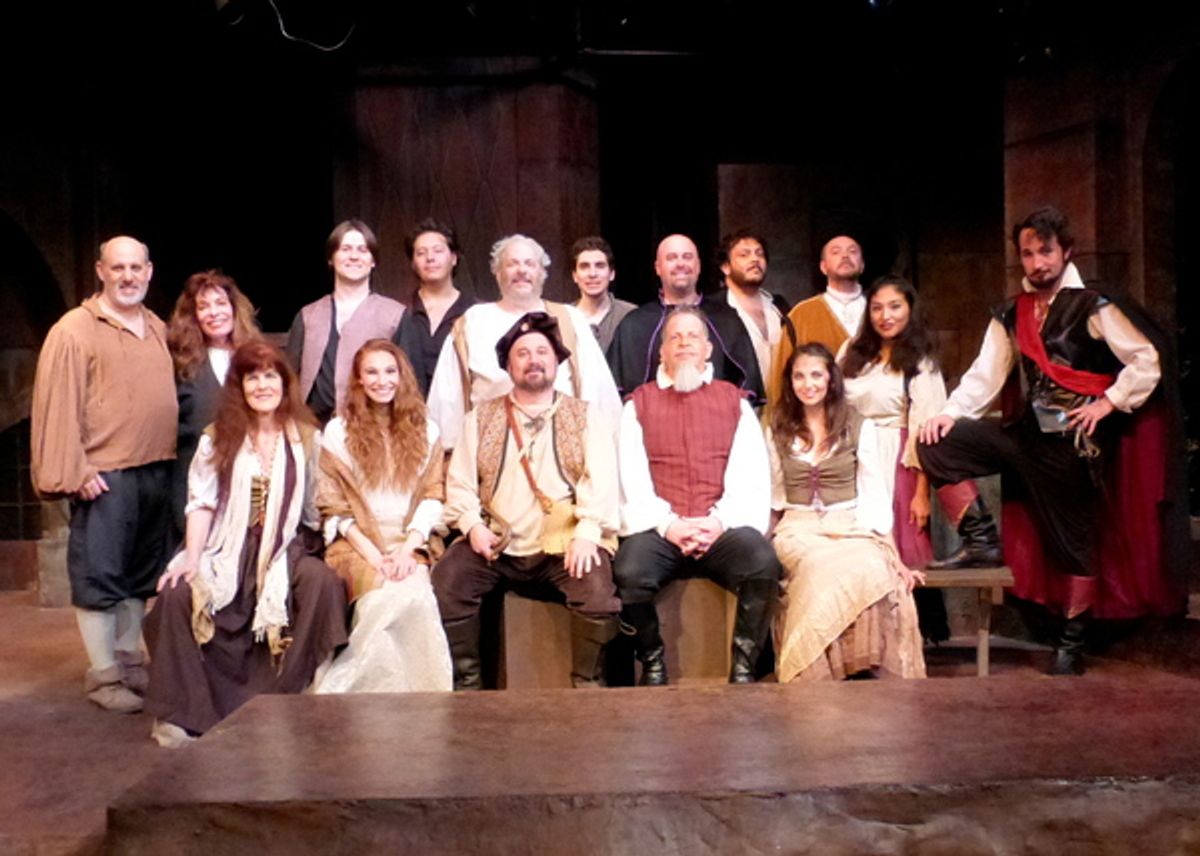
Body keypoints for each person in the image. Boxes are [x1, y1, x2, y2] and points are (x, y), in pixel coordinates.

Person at [918, 206, 1164, 675]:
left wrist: (1107, 403)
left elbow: (1145, 360)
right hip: (1025, 439)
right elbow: (984, 375)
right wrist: (947, 414)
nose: (1037, 263)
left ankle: (1071, 641)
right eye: (1028, 254)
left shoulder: (1093, 306)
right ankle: (980, 541)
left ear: (1065, 251)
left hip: (1072, 447)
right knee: (937, 444)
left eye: (1045, 251)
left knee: (1073, 545)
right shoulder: (1013, 312)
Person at [143, 342, 347, 746]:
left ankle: (290, 695)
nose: (262, 385)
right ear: (239, 386)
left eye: (270, 375)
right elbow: (201, 503)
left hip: (285, 546)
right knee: (176, 595)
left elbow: (312, 506)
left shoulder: (306, 439)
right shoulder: (218, 438)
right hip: (224, 546)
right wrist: (193, 557)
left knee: (322, 584)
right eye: (252, 377)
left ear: (284, 383)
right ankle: (182, 713)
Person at [434, 312, 623, 690]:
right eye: (522, 353)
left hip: (564, 543)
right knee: (448, 581)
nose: (533, 359)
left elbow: (601, 481)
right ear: (508, 364)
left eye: (542, 351)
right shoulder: (481, 418)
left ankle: (587, 686)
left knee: (597, 593)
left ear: (557, 362)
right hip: (499, 545)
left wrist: (587, 533)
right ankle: (468, 685)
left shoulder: (585, 416)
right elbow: (460, 484)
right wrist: (472, 527)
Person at [30, 235, 177, 713]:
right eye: (118, 268)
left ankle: (130, 662)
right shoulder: (75, 329)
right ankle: (103, 676)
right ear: (100, 270)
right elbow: (57, 404)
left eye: (136, 267)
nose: (128, 276)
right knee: (100, 576)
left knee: (139, 576)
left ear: (149, 271)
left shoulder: (155, 325)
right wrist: (75, 467)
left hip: (154, 468)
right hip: (104, 474)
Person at [615, 307, 780, 685]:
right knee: (630, 570)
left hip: (719, 527)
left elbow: (750, 474)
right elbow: (632, 478)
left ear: (708, 350)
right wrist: (669, 525)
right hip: (661, 529)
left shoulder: (734, 402)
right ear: (661, 353)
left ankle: (743, 667)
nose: (684, 343)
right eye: (675, 337)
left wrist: (717, 522)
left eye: (693, 337)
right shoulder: (638, 404)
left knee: (761, 562)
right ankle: (653, 664)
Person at [769, 344, 926, 681]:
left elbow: (874, 495)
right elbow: (774, 497)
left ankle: (861, 671)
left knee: (873, 567)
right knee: (819, 567)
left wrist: (895, 558)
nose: (807, 384)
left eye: (815, 375)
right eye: (799, 376)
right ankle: (814, 675)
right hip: (799, 528)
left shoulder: (857, 426)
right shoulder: (778, 427)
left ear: (830, 379)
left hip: (851, 524)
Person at [312, 340, 452, 693]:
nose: (382, 380)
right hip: (358, 547)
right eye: (371, 372)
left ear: (402, 376)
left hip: (411, 544)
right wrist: (376, 558)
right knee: (380, 599)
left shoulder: (427, 430)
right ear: (358, 380)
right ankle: (362, 695)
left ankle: (424, 698)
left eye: (390, 371)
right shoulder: (337, 433)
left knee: (417, 598)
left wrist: (406, 551)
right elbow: (334, 508)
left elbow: (434, 496)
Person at [426, 234, 622, 451]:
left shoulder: (569, 319)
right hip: (492, 453)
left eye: (529, 263)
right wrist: (448, 454)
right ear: (498, 273)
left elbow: (599, 394)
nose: (521, 270)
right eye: (512, 263)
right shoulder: (472, 322)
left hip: (562, 451)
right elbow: (447, 399)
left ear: (541, 273)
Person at [840, 275, 949, 641]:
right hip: (856, 454)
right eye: (877, 308)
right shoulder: (853, 354)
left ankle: (911, 634)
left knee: (902, 542)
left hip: (899, 456)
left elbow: (926, 428)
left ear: (910, 310)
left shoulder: (920, 361)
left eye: (894, 306)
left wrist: (921, 491)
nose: (885, 315)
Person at [606, 234, 764, 404]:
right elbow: (616, 396)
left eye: (687, 257)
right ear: (658, 268)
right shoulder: (634, 325)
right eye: (672, 258)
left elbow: (746, 391)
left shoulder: (727, 319)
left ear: (698, 266)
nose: (680, 264)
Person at [166, 270, 262, 546]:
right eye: (203, 306)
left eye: (221, 303)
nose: (214, 312)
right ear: (193, 316)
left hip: (249, 480)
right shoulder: (181, 363)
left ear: (234, 309)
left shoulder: (257, 358)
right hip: (196, 483)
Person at [286, 219, 406, 424]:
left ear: (373, 260)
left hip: (373, 426)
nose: (354, 256)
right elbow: (288, 377)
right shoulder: (308, 315)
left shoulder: (395, 315)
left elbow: (408, 382)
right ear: (331, 258)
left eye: (362, 250)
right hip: (313, 428)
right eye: (345, 249)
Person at [769, 234, 867, 406]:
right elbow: (781, 376)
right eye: (836, 252)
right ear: (823, 267)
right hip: (819, 416)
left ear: (862, 265)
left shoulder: (880, 311)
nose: (845, 256)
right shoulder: (801, 315)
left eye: (852, 251)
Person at [393, 218, 476, 397]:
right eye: (421, 253)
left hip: (461, 412)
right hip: (407, 413)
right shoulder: (398, 311)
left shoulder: (475, 312)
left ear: (454, 258)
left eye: (438, 251)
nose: (430, 258)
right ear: (413, 263)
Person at [717, 229, 793, 392]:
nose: (755, 259)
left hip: (785, 409)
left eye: (760, 254)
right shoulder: (715, 312)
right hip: (739, 409)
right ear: (725, 267)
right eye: (744, 255)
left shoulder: (780, 307)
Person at [571, 236, 635, 352]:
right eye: (584, 266)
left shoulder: (631, 315)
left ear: (611, 274)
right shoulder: (564, 318)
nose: (592, 273)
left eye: (600, 266)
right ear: (575, 276)